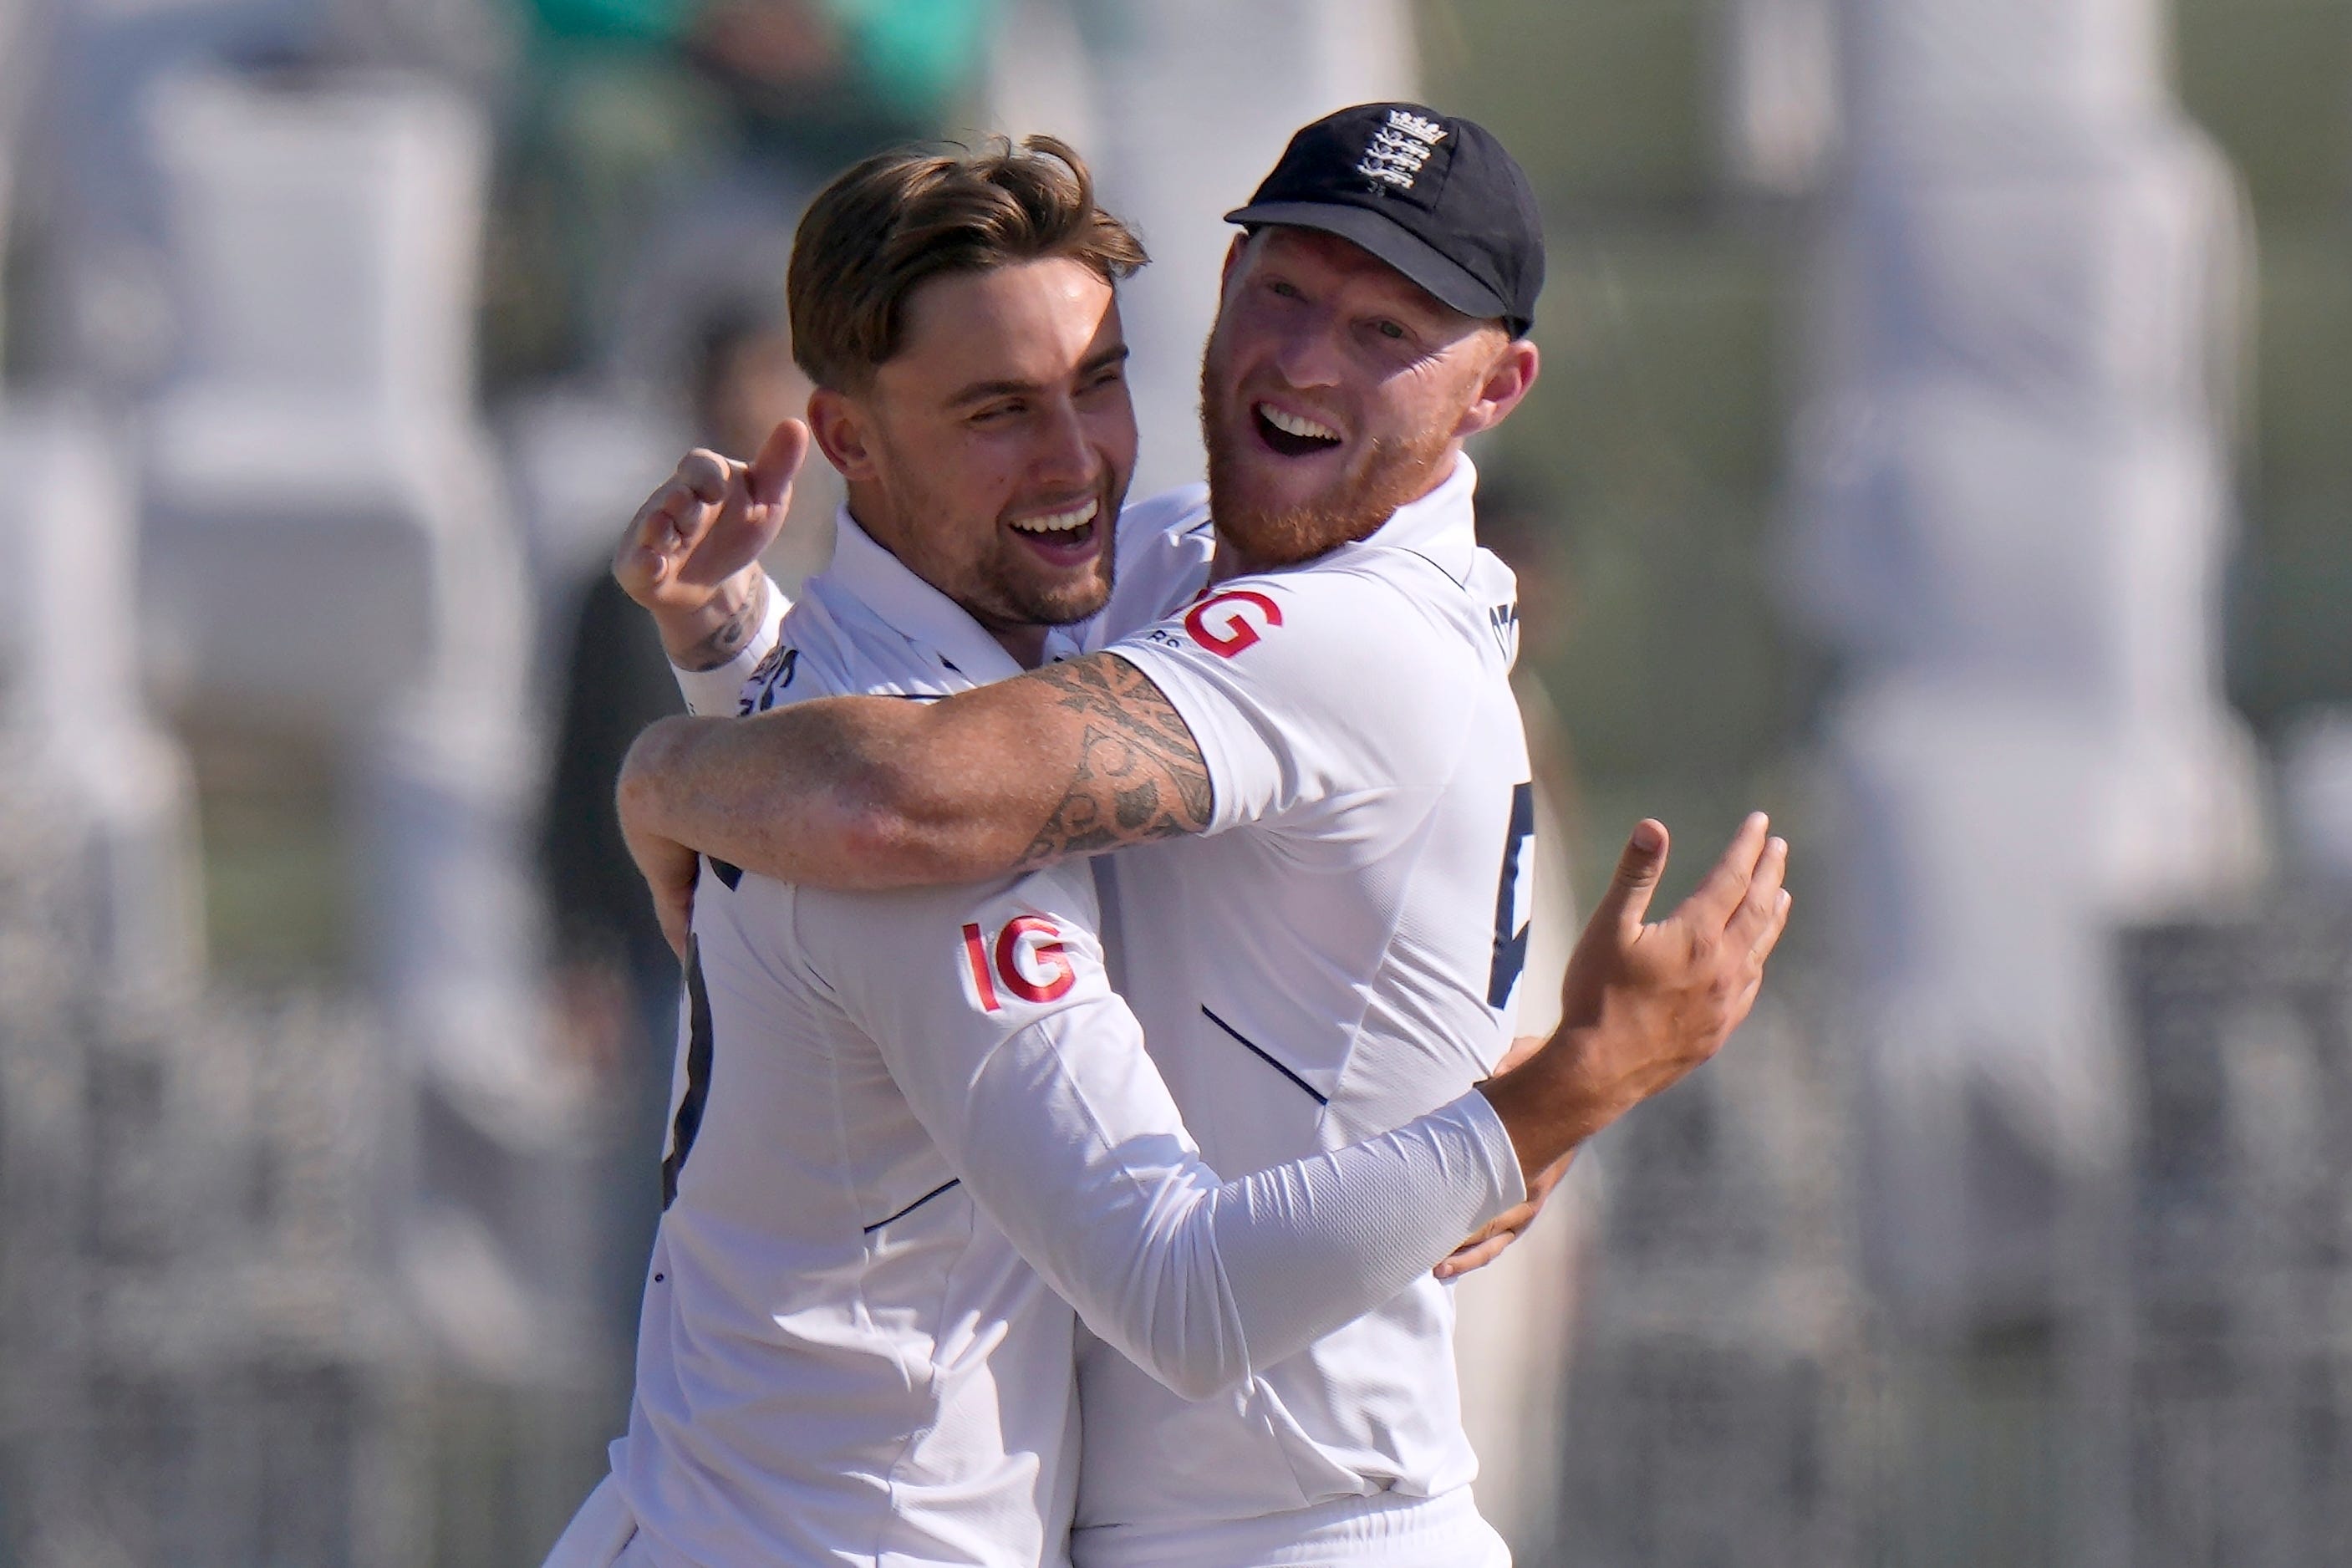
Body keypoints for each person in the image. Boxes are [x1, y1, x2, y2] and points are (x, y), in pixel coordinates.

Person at [547, 133, 1785, 1568]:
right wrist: (720, 655)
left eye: (1387, 329)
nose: (1073, 458)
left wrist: (663, 764)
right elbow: (879, 782)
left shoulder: (1269, 642)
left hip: (1287, 1529)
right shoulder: (1148, 576)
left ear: (1498, 387)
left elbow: (900, 794)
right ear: (847, 441)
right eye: (1283, 292)